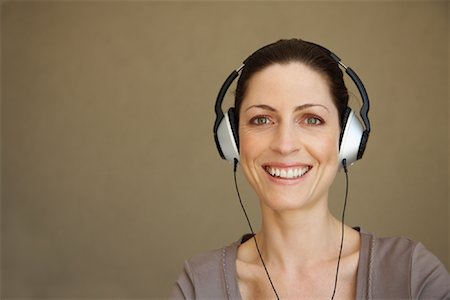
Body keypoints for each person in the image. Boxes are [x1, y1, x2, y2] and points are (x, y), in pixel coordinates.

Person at [170, 39, 450, 299]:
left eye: (312, 119)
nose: (285, 144)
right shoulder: (199, 285)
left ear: (346, 139)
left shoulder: (412, 274)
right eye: (262, 119)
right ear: (232, 139)